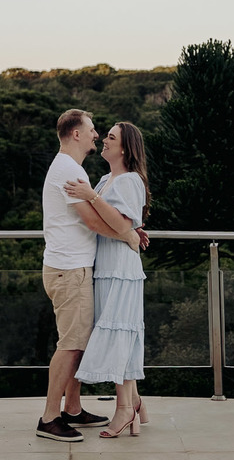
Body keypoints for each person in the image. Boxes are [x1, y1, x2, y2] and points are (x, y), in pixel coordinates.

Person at [37, 109, 141, 442]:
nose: (96, 135)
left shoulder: (70, 168)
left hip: (70, 268)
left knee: (79, 343)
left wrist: (129, 228)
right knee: (71, 346)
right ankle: (50, 417)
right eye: (93, 129)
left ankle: (72, 408)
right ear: (76, 134)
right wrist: (127, 235)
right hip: (70, 270)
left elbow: (101, 214)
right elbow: (93, 221)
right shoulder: (69, 170)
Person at [64, 121, 150, 439]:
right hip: (106, 266)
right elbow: (116, 223)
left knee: (119, 332)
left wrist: (91, 197)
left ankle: (125, 408)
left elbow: (121, 223)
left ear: (125, 148)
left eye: (111, 138)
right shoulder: (105, 179)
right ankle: (135, 402)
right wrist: (130, 228)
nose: (104, 140)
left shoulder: (130, 180)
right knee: (116, 330)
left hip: (121, 269)